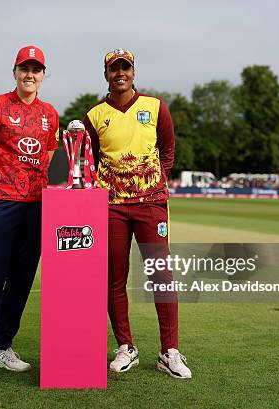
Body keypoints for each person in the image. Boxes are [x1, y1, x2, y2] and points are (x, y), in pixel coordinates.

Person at [83, 48, 192, 379]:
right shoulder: (93, 115)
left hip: (151, 205)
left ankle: (169, 351)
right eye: (114, 69)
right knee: (114, 277)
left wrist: (153, 184)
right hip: (112, 206)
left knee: (161, 275)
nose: (120, 74)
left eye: (125, 68)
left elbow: (168, 151)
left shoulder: (155, 107)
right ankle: (125, 347)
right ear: (106, 75)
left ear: (133, 71)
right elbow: (91, 158)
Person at [0, 45, 59, 388]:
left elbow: (46, 160)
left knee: (20, 282)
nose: (29, 75)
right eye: (24, 68)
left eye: (36, 69)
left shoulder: (51, 114)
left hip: (35, 207)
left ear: (43, 74)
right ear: (15, 71)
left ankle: (1, 347)